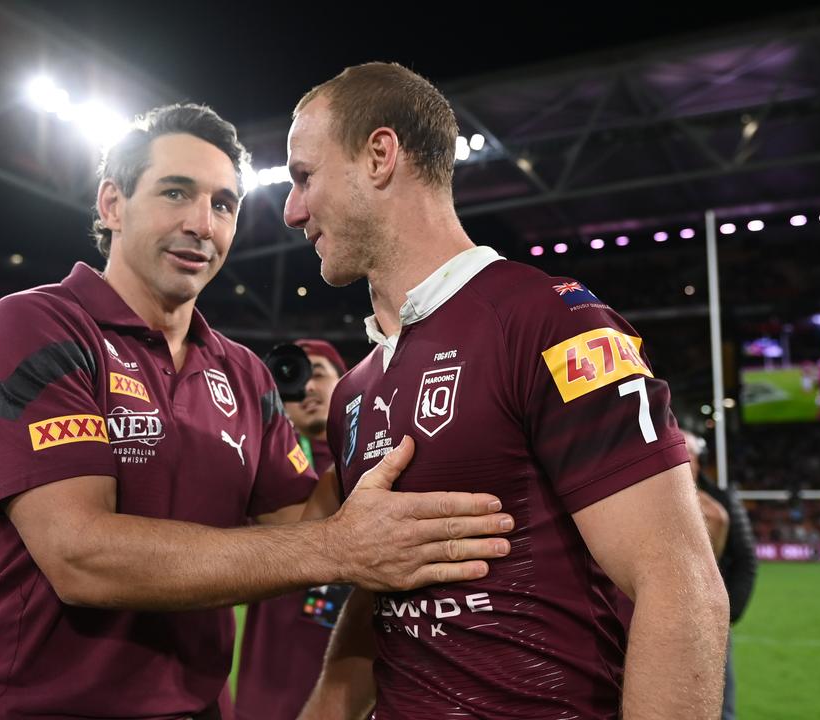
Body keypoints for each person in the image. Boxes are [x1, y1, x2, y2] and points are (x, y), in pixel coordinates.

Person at [0, 103, 514, 719]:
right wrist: (340, 549)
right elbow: (80, 556)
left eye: (224, 204)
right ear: (112, 205)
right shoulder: (36, 328)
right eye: (176, 192)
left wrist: (395, 418)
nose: (202, 224)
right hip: (27, 708)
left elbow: (300, 521)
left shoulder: (242, 372)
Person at [283, 62, 729, 719]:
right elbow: (380, 605)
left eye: (303, 177)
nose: (292, 211)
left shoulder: (552, 321)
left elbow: (680, 583)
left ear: (379, 155)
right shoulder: (353, 393)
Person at [235, 339, 348, 720]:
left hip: (355, 668)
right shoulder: (256, 463)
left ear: (346, 382)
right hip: (272, 677)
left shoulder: (379, 452)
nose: (309, 389)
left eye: (318, 373)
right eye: (295, 380)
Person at [685, 431, 758, 720]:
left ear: (698, 461)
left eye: (686, 452)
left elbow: (745, 560)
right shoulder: (647, 499)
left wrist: (728, 612)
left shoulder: (718, 506)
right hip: (653, 613)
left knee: (717, 704)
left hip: (707, 613)